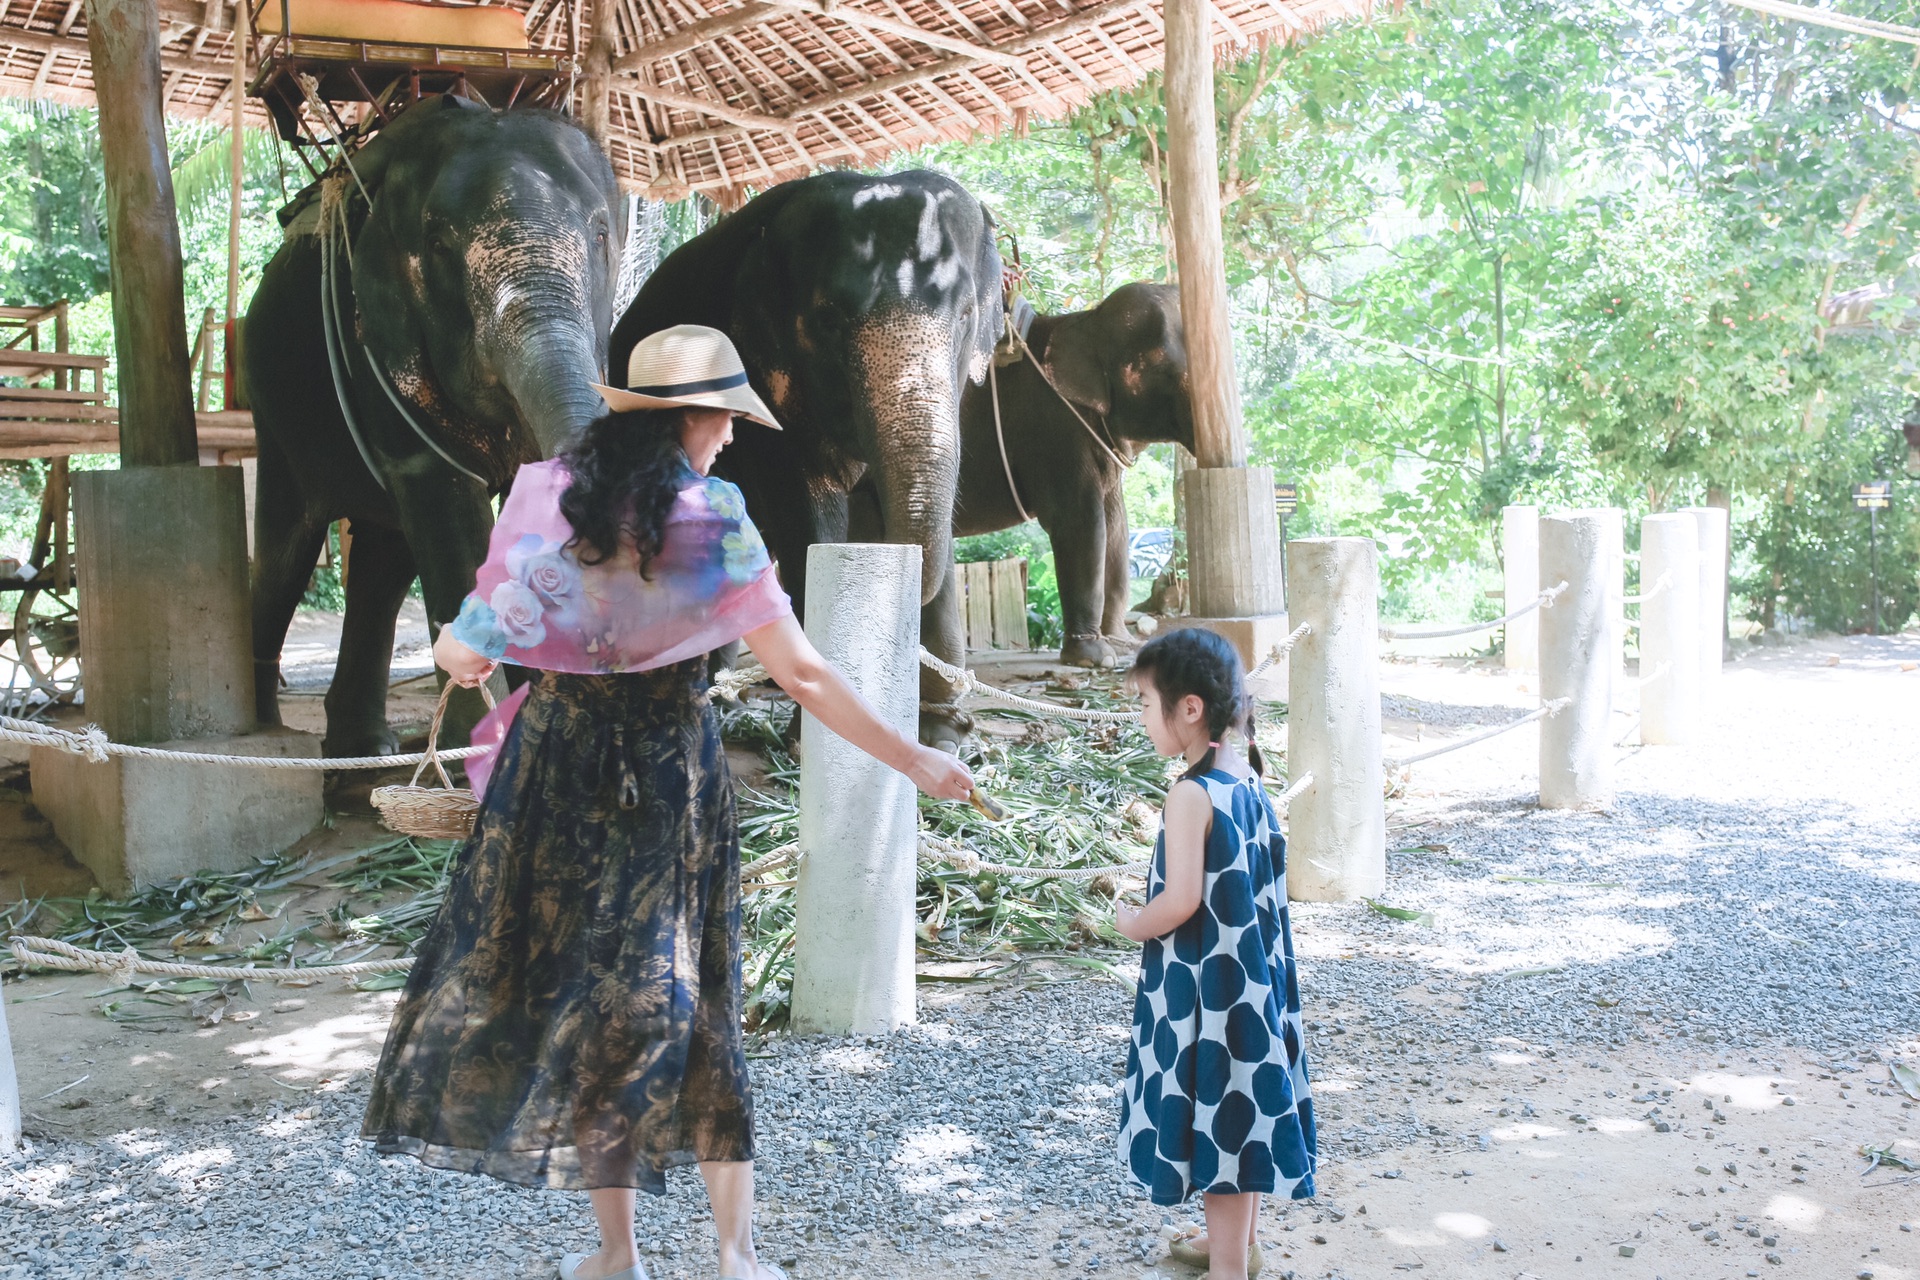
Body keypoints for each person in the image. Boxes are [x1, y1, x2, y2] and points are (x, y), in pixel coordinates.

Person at [360, 324, 973, 1280]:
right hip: (669, 776)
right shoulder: (714, 521)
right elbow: (804, 677)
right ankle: (735, 1256)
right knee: (700, 998)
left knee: (602, 1009)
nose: (729, 439)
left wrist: (474, 639)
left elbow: (464, 653)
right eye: (723, 419)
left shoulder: (543, 503)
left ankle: (619, 1257)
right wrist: (914, 758)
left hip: (554, 775)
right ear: (686, 422)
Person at [1112, 627, 1315, 1280]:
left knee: (1219, 1128)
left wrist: (1131, 923)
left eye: (1146, 704)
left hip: (1209, 991)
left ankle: (1230, 1268)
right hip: (1250, 983)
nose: (1142, 719)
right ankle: (1238, 1243)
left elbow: (1179, 902)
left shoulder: (1189, 794)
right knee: (1241, 1110)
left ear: (1189, 708)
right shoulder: (1244, 776)